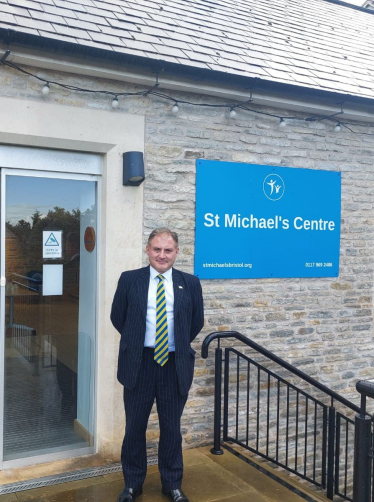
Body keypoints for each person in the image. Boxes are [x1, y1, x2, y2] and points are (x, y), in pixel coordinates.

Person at [111, 228, 204, 502]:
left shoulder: (190, 283)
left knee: (172, 429)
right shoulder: (130, 280)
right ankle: (132, 485)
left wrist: (173, 344)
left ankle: (172, 484)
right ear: (148, 250)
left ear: (176, 252)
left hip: (174, 365)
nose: (162, 255)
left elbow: (195, 322)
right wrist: (138, 342)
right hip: (139, 364)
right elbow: (119, 318)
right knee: (134, 428)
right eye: (157, 249)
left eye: (168, 250)